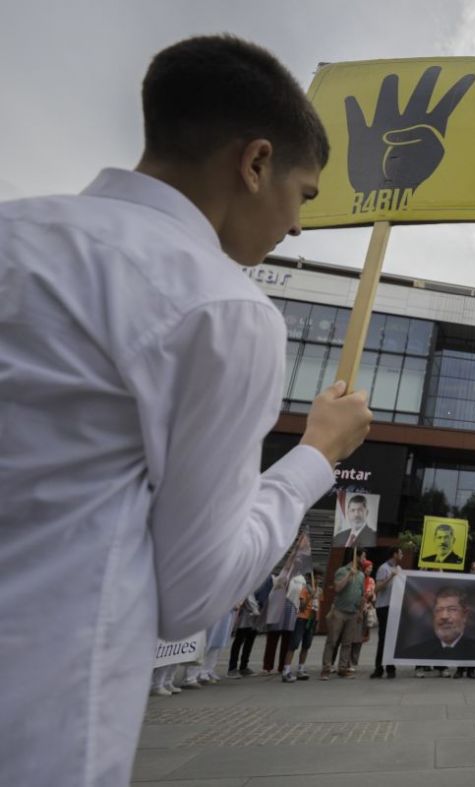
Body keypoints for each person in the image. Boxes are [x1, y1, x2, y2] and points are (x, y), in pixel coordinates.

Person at [0, 34, 374, 785]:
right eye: (302, 194)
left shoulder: (16, 229)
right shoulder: (222, 307)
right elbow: (195, 591)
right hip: (40, 715)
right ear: (256, 161)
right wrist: (315, 456)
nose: (298, 225)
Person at [401, 586, 475, 661]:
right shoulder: (416, 651)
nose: (444, 616)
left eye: (452, 610)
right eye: (439, 610)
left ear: (465, 615)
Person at [321, 558, 365, 679]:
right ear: (356, 558)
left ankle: (343, 668)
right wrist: (349, 575)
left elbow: (362, 594)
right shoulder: (342, 571)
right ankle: (326, 668)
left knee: (347, 642)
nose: (364, 560)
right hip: (339, 611)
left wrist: (360, 611)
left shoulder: (361, 575)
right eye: (363, 557)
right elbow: (337, 588)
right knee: (332, 641)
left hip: (353, 612)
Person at [371, 548, 402, 679]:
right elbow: (377, 588)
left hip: (394, 607)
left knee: (392, 638)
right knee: (383, 638)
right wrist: (391, 576)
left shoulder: (398, 568)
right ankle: (379, 668)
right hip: (384, 606)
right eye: (400, 553)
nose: (402, 555)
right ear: (394, 554)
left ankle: (390, 667)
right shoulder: (384, 568)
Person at [285, 569, 322, 680]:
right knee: (294, 643)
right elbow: (301, 607)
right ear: (310, 579)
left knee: (307, 644)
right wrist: (311, 596)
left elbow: (318, 607)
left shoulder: (319, 590)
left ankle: (301, 668)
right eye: (315, 578)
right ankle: (286, 670)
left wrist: (318, 621)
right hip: (302, 618)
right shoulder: (305, 589)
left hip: (312, 619)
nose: (317, 580)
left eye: (319, 578)